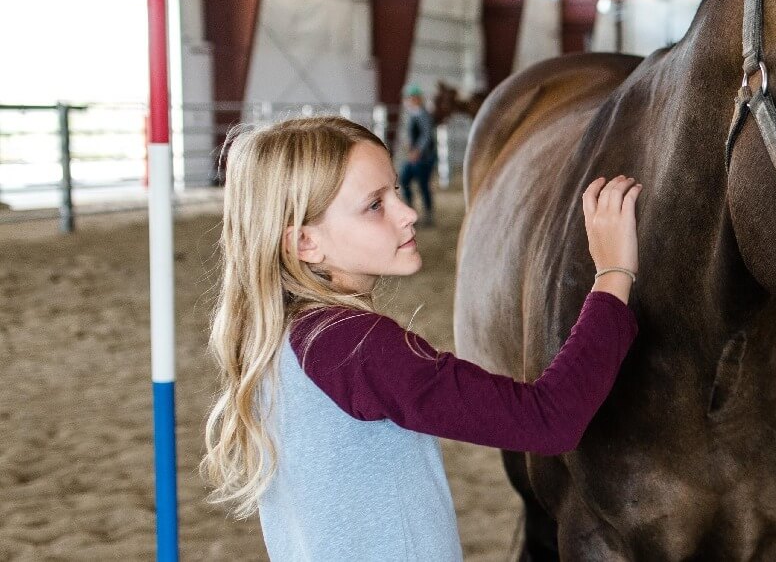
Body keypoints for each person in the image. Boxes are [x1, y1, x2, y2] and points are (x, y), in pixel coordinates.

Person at [198, 116, 641, 559]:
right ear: (305, 244)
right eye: (376, 204)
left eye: (396, 190)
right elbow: (549, 420)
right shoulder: (355, 347)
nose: (407, 213)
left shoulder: (276, 337)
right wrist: (613, 274)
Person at [399, 85, 439, 227]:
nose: (409, 100)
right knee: (405, 180)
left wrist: (417, 151)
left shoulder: (423, 114)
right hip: (413, 156)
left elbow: (426, 135)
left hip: (423, 157)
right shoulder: (412, 114)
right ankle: (411, 211)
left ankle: (428, 215)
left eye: (412, 98)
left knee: (423, 185)